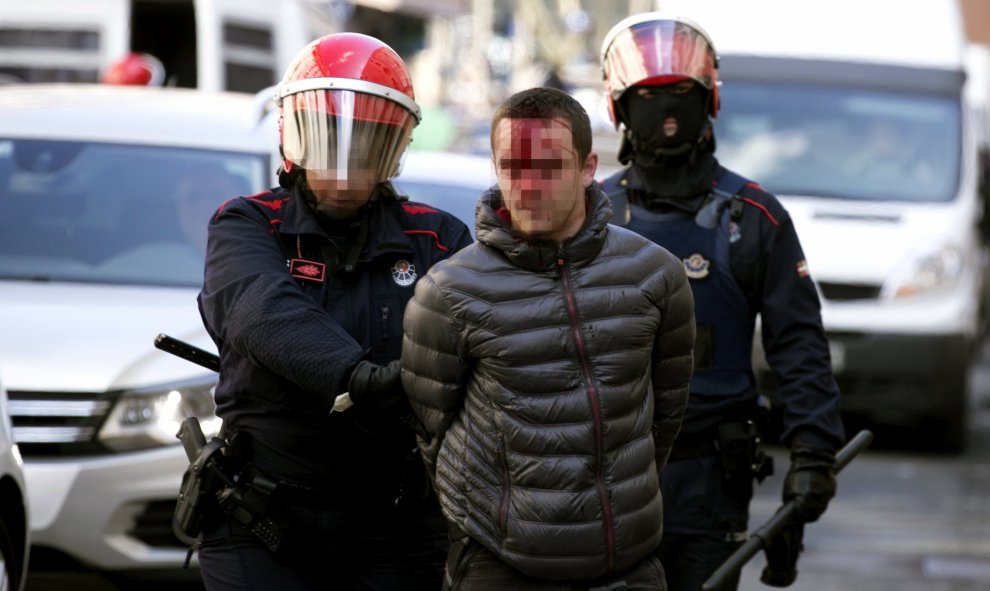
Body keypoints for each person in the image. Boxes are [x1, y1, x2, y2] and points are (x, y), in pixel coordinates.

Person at [195, 32, 472, 590]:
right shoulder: (247, 223)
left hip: (395, 526)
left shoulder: (440, 239)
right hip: (263, 518)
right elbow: (259, 309)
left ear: (393, 149)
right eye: (328, 140)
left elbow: (477, 351)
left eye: (364, 143)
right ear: (293, 136)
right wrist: (360, 379)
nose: (344, 163)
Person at [401, 86, 696, 590]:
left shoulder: (655, 275)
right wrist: (493, 522)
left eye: (549, 166)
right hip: (501, 566)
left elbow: (662, 419)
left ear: (588, 168)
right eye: (512, 166)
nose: (528, 185)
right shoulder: (448, 292)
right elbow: (431, 433)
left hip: (630, 564)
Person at [599, 13, 846, 591]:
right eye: (650, 96)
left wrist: (813, 456)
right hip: (602, 477)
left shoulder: (755, 218)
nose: (667, 112)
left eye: (681, 94)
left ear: (708, 99)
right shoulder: (589, 214)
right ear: (620, 106)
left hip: (710, 481)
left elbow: (799, 346)